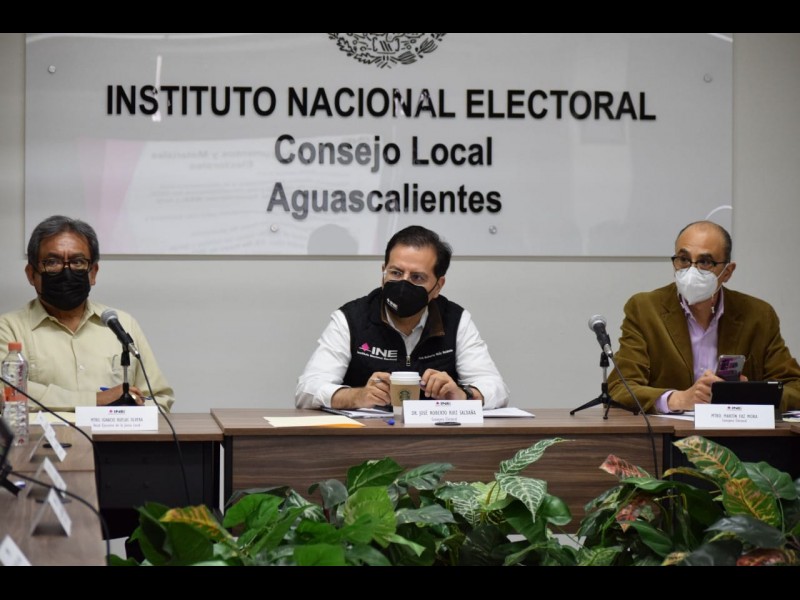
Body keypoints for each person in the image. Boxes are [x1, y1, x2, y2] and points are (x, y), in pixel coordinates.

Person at [296, 225, 510, 409]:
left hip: (434, 437)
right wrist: (357, 396)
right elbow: (307, 391)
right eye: (396, 273)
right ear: (383, 273)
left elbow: (496, 389)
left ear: (438, 286)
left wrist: (464, 396)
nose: (403, 284)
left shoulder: (456, 320)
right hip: (366, 438)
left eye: (417, 277)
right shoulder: (351, 319)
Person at [608, 220, 800, 413]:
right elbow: (620, 387)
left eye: (705, 262)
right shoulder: (645, 309)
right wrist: (678, 399)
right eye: (683, 259)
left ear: (727, 272)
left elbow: (795, 387)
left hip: (736, 429)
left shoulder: (758, 315)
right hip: (671, 430)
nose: (692, 271)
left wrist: (751, 395)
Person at [0, 215, 174, 411]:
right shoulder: (8, 328)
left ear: (93, 273)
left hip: (113, 432)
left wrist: (130, 408)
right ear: (31, 274)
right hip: (43, 433)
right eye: (52, 262)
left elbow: (159, 399)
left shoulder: (122, 324)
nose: (66, 271)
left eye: (78, 262)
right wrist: (94, 400)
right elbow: (5, 390)